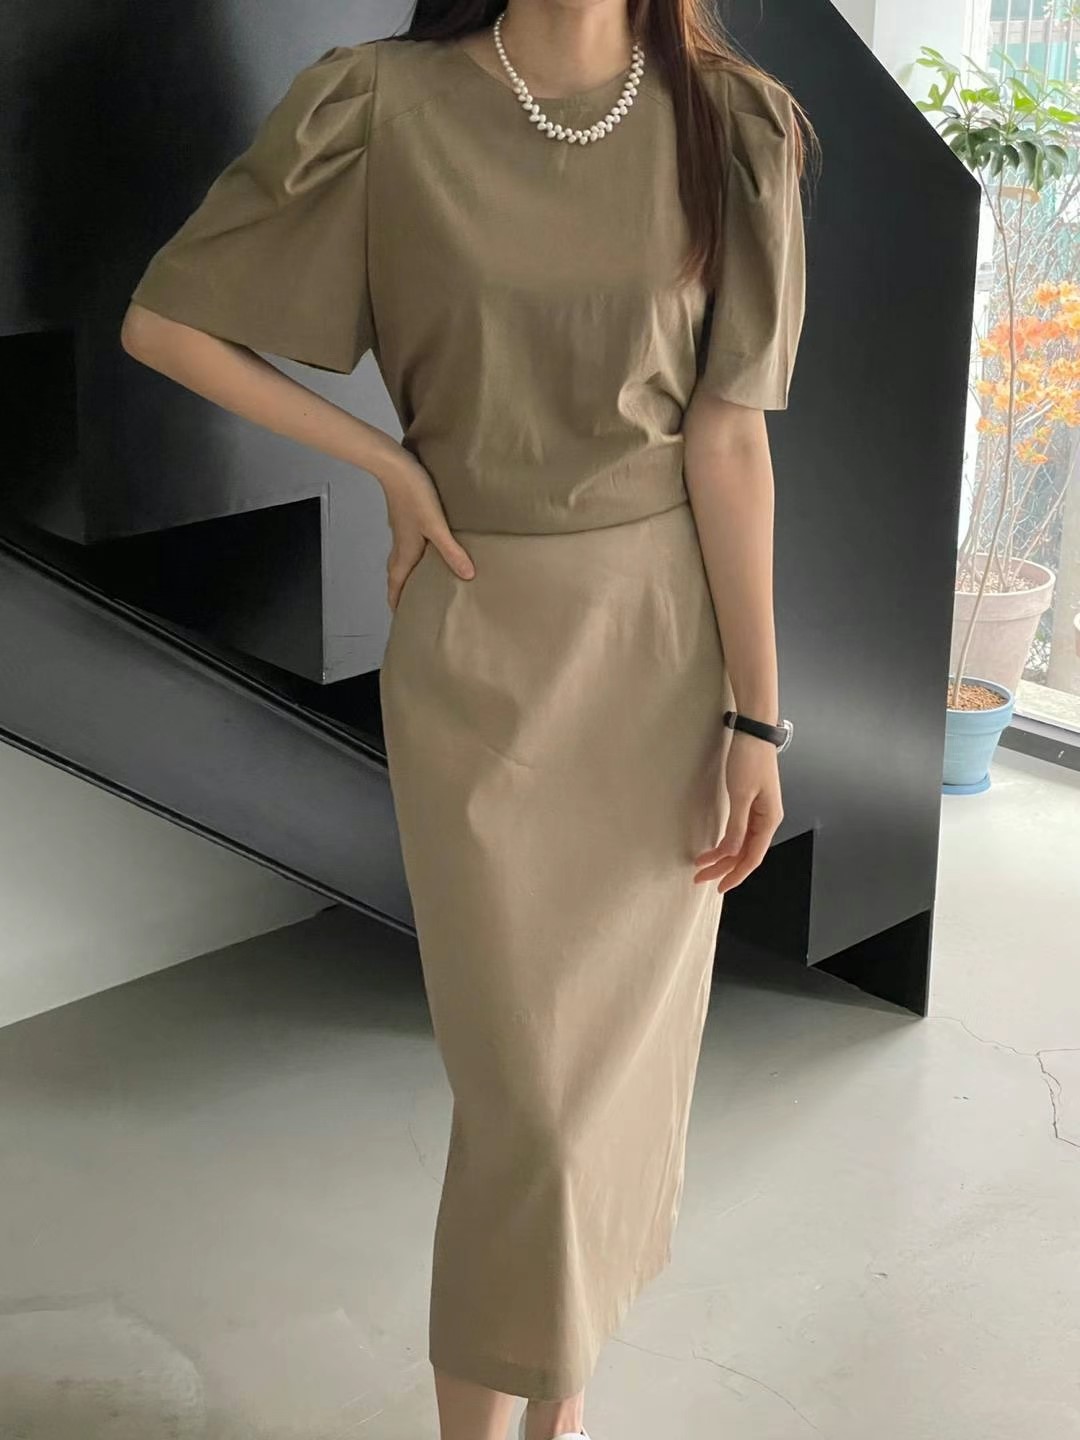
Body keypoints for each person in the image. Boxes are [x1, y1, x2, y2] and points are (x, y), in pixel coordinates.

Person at [121, 3, 813, 1437]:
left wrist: (759, 717)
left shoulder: (730, 123)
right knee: (528, 1113)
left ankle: (555, 1415)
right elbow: (164, 322)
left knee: (598, 1098)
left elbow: (729, 439)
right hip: (478, 647)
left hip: (661, 651)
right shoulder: (383, 104)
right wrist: (388, 464)